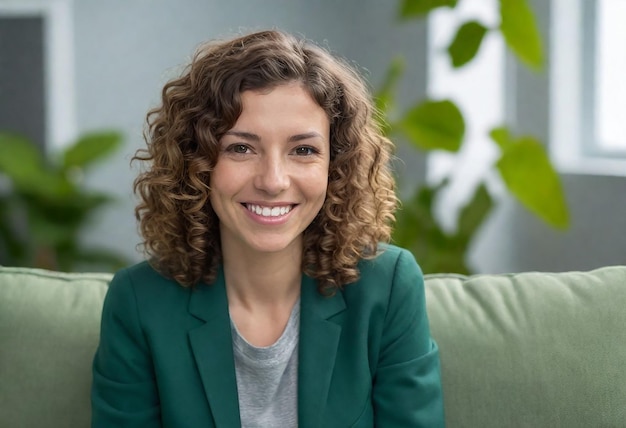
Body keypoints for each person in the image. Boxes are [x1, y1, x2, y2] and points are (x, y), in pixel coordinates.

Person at [91, 28, 444, 427]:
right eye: (241, 148)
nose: (273, 180)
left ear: (336, 166)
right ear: (197, 162)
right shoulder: (139, 302)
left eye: (303, 150)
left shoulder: (388, 287)